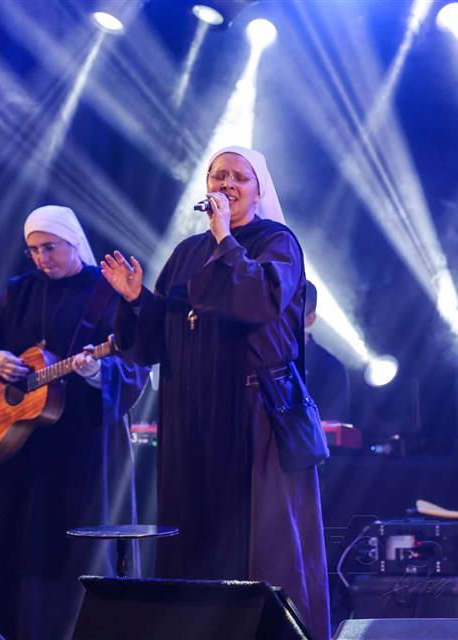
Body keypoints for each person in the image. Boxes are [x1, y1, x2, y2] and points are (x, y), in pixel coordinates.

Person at [100, 146, 331, 640]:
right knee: (191, 535)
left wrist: (226, 237)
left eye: (239, 177)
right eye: (218, 176)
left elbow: (258, 301)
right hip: (190, 412)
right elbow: (156, 340)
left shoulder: (277, 242)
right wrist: (137, 299)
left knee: (257, 542)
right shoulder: (187, 252)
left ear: (258, 189)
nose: (227, 184)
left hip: (250, 412)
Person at [0, 205, 147, 640]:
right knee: (13, 548)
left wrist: (97, 372)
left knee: (75, 553)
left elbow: (135, 358)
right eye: (34, 250)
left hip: (82, 447)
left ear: (73, 241)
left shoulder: (105, 292)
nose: (42, 258)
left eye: (50, 248)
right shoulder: (19, 290)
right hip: (20, 449)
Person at [304, 281, 351, 423]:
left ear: (310, 319)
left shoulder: (331, 369)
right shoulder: (259, 359)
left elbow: (329, 429)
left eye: (290, 312)